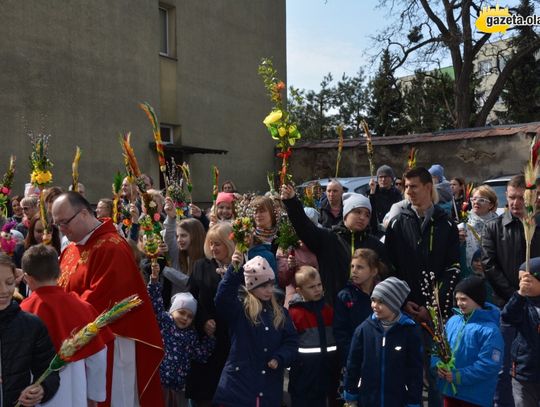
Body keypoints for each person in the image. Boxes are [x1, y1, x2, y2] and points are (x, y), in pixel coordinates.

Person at [51, 191, 164, 406]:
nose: (62, 230)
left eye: (64, 223)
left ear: (83, 214)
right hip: (75, 341)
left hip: (110, 341)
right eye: (57, 225)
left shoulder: (112, 247)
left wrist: (59, 313)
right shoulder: (71, 248)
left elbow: (99, 301)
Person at [384, 166, 460, 407]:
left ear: (428, 187)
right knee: (407, 372)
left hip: (435, 315)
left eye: (414, 186)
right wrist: (403, 302)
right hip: (404, 310)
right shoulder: (397, 223)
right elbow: (390, 267)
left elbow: (453, 268)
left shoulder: (445, 224)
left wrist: (433, 307)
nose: (408, 191)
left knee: (436, 371)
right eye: (406, 187)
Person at [20, 244, 111, 407]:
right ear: (60, 272)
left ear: (27, 279)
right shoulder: (82, 307)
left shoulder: (23, 311)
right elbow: (97, 355)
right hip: (75, 390)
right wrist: (94, 396)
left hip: (35, 393)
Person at [482, 175, 540, 407]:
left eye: (521, 198)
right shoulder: (494, 227)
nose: (515, 203)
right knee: (503, 365)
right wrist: (516, 295)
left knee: (529, 364)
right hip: (504, 306)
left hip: (536, 307)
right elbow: (489, 264)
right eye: (511, 197)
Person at [281, 184, 390, 304]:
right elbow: (304, 227)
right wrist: (292, 202)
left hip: (366, 309)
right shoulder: (329, 238)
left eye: (367, 214)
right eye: (358, 212)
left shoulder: (375, 245)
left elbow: (388, 277)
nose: (362, 217)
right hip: (332, 306)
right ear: (346, 214)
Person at [213, 254, 299, 407]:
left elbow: (291, 343)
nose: (269, 290)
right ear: (251, 286)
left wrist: (280, 358)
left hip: (268, 390)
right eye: (263, 286)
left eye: (271, 285)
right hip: (237, 390)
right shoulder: (240, 310)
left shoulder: (280, 313)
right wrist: (235, 269)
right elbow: (222, 299)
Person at [342, 277, 423, 406]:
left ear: (394, 304)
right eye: (373, 300)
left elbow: (415, 371)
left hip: (397, 401)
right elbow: (353, 364)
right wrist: (350, 392)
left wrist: (414, 401)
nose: (375, 305)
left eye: (381, 302)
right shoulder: (363, 330)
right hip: (368, 400)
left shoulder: (409, 331)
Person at [148, 264, 215, 407]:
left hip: (179, 387)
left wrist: (210, 338)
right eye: (182, 313)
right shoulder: (166, 323)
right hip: (160, 382)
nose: (185, 318)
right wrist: (154, 281)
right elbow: (156, 303)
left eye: (190, 316)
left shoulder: (191, 336)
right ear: (172, 311)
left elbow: (200, 355)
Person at [433, 276, 504, 407]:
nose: (459, 303)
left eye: (464, 299)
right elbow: (438, 347)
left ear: (477, 299)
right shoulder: (453, 321)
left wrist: (458, 376)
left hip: (475, 396)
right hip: (450, 391)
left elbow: (489, 365)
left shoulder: (490, 330)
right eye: (457, 299)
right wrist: (438, 365)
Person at [0, 253, 60, 406]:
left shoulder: (31, 325)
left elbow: (49, 370)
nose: (4, 290)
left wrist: (42, 388)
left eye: (9, 282)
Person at [186, 223, 235, 407]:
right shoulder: (201, 266)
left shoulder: (241, 266)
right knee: (205, 394)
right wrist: (203, 319)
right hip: (207, 337)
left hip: (231, 338)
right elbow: (190, 298)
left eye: (218, 244)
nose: (213, 248)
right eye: (211, 243)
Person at [288, 266, 339, 407]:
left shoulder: (328, 309)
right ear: (299, 290)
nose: (317, 289)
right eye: (311, 287)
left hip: (328, 375)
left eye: (319, 285)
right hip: (303, 378)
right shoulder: (294, 314)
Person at [333, 248, 382, 367]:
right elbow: (341, 333)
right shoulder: (345, 296)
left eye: (360, 267)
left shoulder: (383, 294)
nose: (354, 271)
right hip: (355, 358)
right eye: (352, 266)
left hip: (380, 356)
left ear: (374, 271)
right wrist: (353, 357)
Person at [501, 258, 540, 407]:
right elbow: (507, 316)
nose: (523, 284)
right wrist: (520, 295)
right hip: (524, 372)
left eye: (527, 280)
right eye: (520, 280)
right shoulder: (521, 303)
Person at [163, 196, 206, 294]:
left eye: (183, 236)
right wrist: (171, 217)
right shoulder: (178, 253)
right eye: (177, 236)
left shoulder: (205, 259)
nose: (179, 240)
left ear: (195, 235)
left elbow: (191, 284)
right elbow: (169, 236)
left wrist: (166, 270)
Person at [460, 185, 498, 277]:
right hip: (468, 274)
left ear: (491, 205)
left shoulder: (499, 225)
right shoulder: (463, 226)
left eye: (482, 200)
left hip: (493, 274)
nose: (476, 202)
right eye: (474, 199)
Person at [367, 165, 402, 236]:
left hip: (392, 231)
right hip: (374, 232)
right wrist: (372, 192)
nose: (383, 179)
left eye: (386, 177)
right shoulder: (372, 192)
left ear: (391, 179)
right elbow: (369, 210)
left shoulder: (396, 194)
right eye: (380, 177)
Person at [249, 195, 278, 276]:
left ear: (272, 212)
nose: (258, 215)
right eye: (255, 211)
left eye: (262, 211)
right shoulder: (249, 236)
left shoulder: (281, 234)